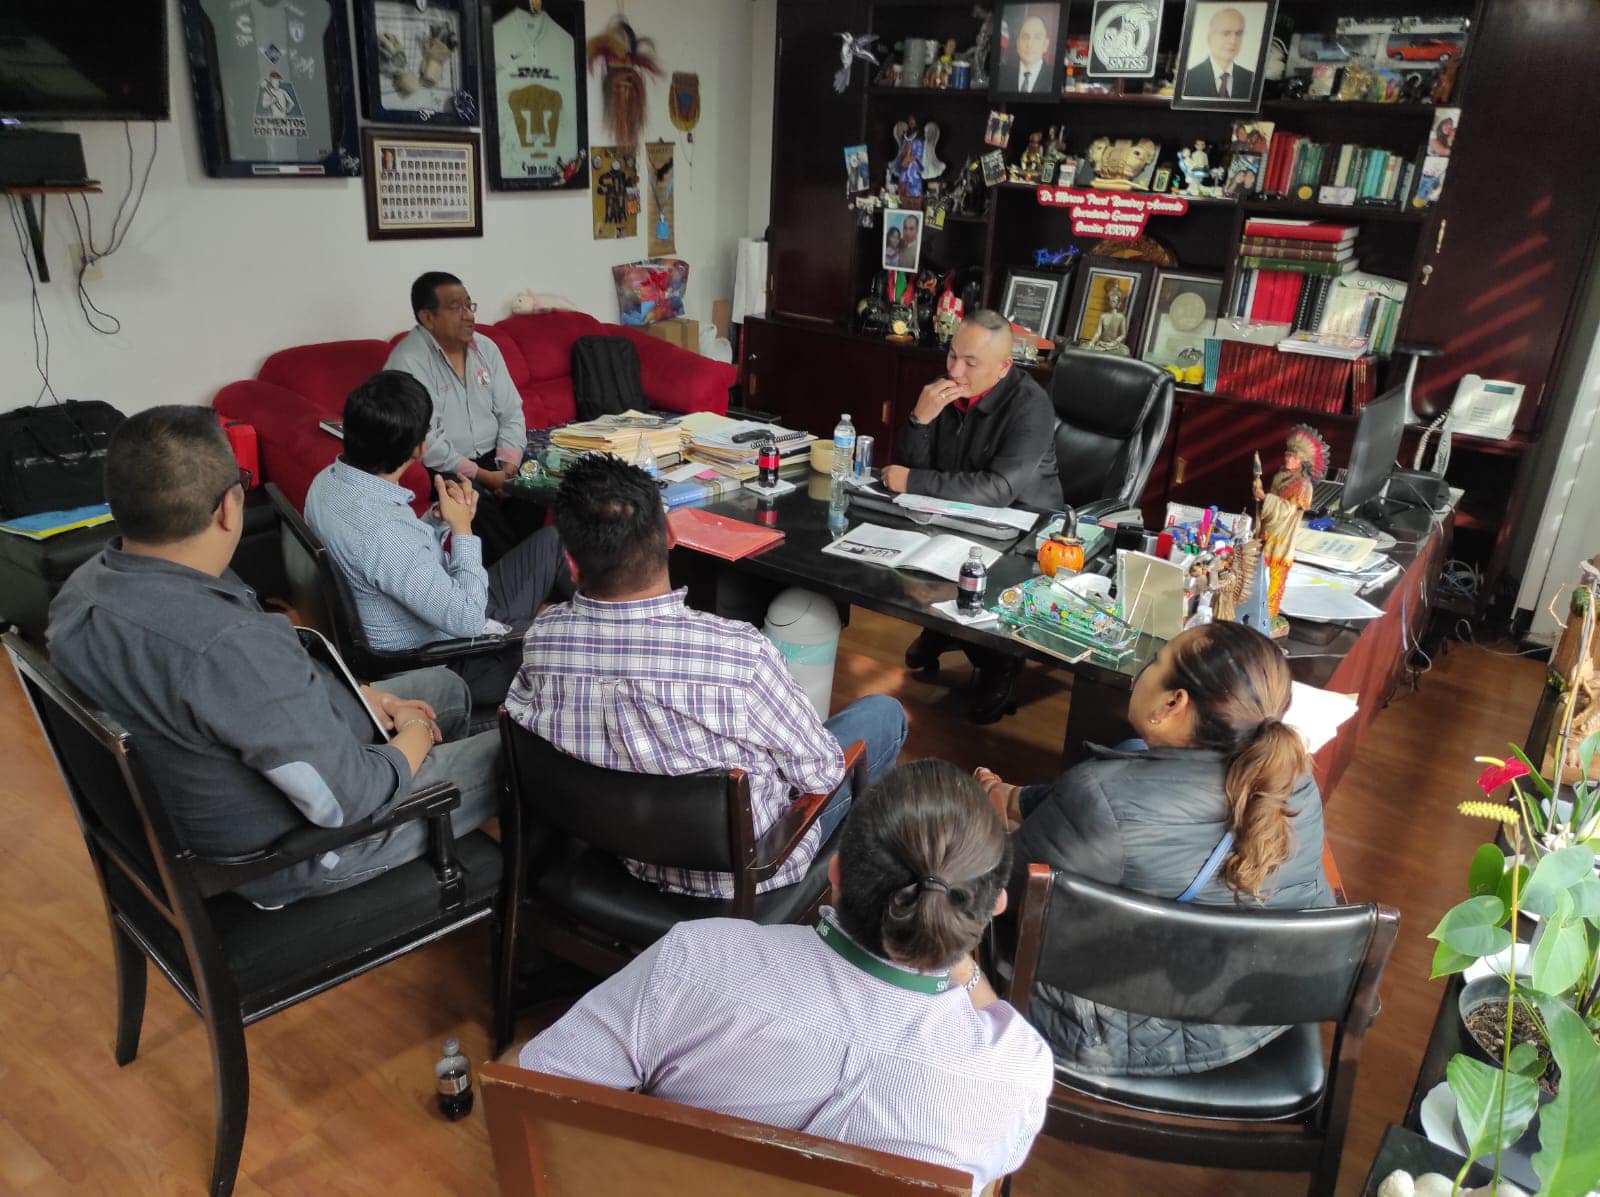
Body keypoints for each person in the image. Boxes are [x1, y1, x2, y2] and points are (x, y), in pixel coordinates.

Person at [519, 760, 1053, 1193]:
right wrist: (958, 959)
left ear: (836, 873)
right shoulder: (1015, 1074)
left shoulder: (697, 962)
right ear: (994, 908)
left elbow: (538, 1092)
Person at [46, 407, 502, 909]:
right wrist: (413, 735)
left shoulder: (83, 588)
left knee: (444, 689)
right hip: (295, 852)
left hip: (239, 777)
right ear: (228, 507)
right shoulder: (226, 643)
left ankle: (441, 828)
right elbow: (346, 800)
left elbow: (251, 690)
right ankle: (446, 840)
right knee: (514, 753)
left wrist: (364, 696)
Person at [505, 453, 908, 899]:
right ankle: (861, 896)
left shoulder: (542, 641)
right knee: (883, 714)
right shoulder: (741, 655)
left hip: (615, 849)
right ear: (670, 535)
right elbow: (823, 775)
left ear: (571, 564)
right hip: (748, 872)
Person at [980, 621, 1333, 1077]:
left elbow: (998, 892)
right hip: (1261, 1007)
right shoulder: (1294, 781)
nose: (1143, 670)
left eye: (1155, 661)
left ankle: (1004, 805)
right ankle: (1016, 801)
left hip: (1120, 1028)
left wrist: (984, 830)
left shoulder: (1101, 801)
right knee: (1123, 763)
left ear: (1173, 703)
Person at [305, 371, 570, 706]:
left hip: (439, 606)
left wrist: (436, 519)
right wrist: (462, 529)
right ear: (420, 449)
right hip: (447, 658)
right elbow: (468, 619)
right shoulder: (385, 532)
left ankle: (578, 620)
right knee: (571, 640)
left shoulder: (327, 483)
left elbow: (393, 558)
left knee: (554, 541)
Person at [883, 309, 1062, 723]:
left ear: (1003, 366)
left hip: (1022, 528)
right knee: (905, 555)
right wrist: (919, 420)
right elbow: (910, 469)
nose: (955, 371)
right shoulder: (945, 390)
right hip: (958, 513)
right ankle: (942, 626)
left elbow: (998, 489)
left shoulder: (1031, 405)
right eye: (952, 356)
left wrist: (913, 480)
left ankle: (998, 662)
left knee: (972, 566)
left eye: (970, 362)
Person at [384, 271, 534, 563]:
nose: (468, 315)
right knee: (470, 500)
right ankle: (516, 573)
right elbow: (426, 439)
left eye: (469, 305)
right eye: (456, 307)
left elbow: (511, 411)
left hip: (496, 458)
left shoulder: (486, 348)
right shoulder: (408, 362)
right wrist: (484, 477)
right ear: (428, 318)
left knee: (537, 484)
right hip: (446, 467)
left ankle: (530, 567)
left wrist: (509, 466)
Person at [1183, 7, 1253, 99]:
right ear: (1210, 38)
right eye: (1226, 33)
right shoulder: (1188, 79)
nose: (1233, 41)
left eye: (1238, 33)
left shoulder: (1251, 79)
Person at [1002, 12, 1053, 93]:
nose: (1029, 44)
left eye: (1037, 38)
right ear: (1018, 43)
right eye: (1025, 37)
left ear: (1045, 45)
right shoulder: (1002, 75)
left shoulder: (1054, 77)